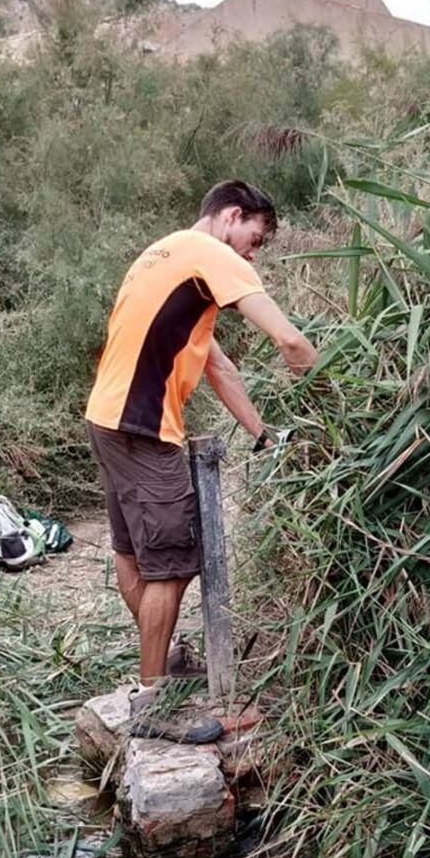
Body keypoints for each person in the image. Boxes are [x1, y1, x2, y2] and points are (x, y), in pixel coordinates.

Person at [84, 180, 317, 743]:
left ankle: (159, 664)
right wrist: (332, 382)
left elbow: (219, 369)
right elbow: (289, 341)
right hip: (143, 427)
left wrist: (263, 434)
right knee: (175, 562)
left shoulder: (163, 256)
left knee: (133, 556)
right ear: (231, 217)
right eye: (254, 239)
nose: (253, 252)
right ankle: (153, 702)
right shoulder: (211, 254)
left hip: (107, 419)